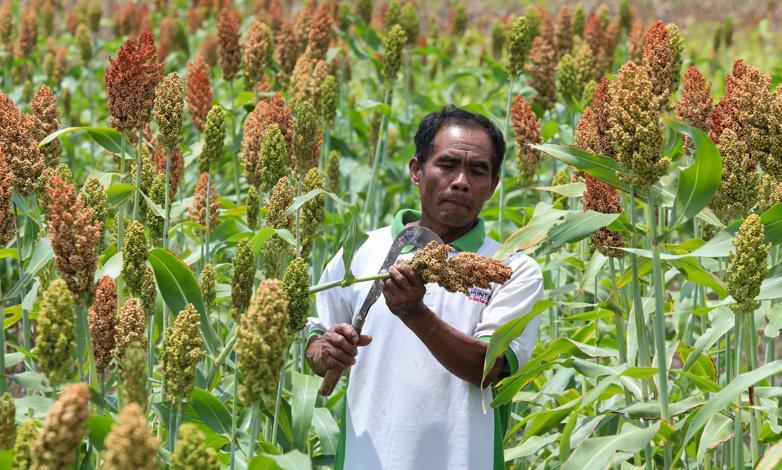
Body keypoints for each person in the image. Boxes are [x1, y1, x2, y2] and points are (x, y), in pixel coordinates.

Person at [306, 105, 543, 470]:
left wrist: (415, 315)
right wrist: (325, 352)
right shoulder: (363, 251)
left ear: (493, 186)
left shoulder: (511, 270)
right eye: (447, 165)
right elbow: (317, 336)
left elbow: (489, 367)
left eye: (478, 170)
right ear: (417, 171)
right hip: (366, 460)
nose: (461, 181)